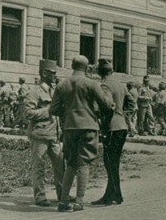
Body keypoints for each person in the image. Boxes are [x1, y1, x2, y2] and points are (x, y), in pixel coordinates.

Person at [50, 55, 113, 212]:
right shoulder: (92, 83)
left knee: (70, 163)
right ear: (86, 67)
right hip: (88, 126)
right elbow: (105, 105)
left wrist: (69, 114)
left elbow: (53, 109)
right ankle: (79, 201)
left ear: (72, 65)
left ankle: (64, 201)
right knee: (83, 163)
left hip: (70, 127)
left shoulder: (62, 84)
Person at [92, 58, 135, 206]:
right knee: (113, 162)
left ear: (99, 72)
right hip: (121, 126)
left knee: (110, 163)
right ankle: (111, 194)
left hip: (111, 128)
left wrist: (102, 117)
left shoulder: (104, 85)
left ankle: (115, 195)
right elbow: (131, 103)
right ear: (112, 71)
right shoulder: (119, 84)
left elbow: (108, 105)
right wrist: (122, 113)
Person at [24, 60, 64, 207]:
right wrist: (48, 111)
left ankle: (63, 194)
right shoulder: (35, 92)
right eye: (53, 73)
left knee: (60, 166)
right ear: (44, 73)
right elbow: (28, 113)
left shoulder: (54, 91)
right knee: (39, 166)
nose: (55, 75)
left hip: (54, 134)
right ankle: (40, 197)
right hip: (39, 134)